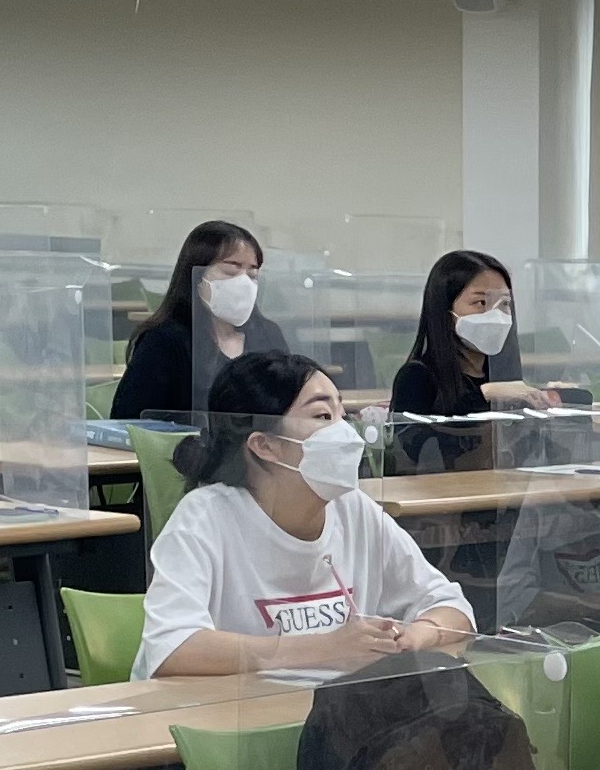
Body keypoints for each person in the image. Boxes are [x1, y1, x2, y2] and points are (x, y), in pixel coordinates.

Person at [140, 350, 475, 678]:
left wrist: (415, 637)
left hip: (327, 707)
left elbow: (452, 607)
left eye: (343, 414)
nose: (345, 432)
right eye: (322, 416)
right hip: (227, 709)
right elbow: (172, 647)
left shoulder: (352, 507)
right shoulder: (205, 518)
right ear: (264, 445)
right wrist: (326, 649)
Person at [386, 249, 573, 475]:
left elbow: (529, 451)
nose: (495, 315)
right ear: (445, 311)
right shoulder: (416, 377)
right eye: (481, 302)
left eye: (504, 304)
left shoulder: (501, 376)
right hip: (445, 495)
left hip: (501, 491)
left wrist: (551, 408)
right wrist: (487, 394)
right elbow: (421, 453)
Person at [107, 220, 288, 424]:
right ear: (197, 276)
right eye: (230, 272)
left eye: (252, 275)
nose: (244, 283)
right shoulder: (164, 340)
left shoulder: (268, 334)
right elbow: (130, 420)